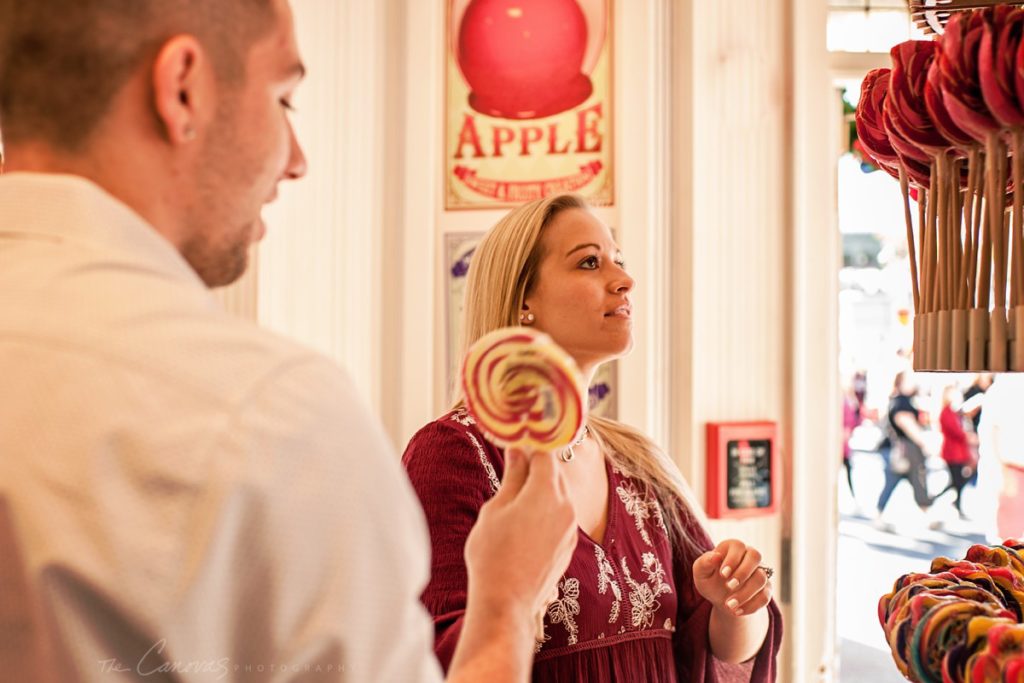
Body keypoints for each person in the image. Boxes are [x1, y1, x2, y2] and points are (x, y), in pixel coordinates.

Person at [0, 2, 577, 681]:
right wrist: (507, 603)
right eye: (285, 99)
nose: (296, 161)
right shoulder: (270, 414)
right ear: (182, 88)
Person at [402, 194, 783, 681]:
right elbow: (434, 657)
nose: (625, 279)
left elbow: (719, 649)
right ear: (524, 300)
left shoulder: (638, 461)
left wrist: (737, 602)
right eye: (589, 262)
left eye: (619, 260)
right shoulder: (454, 453)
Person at [875, 371, 932, 527]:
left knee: (914, 482)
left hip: (903, 450)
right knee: (907, 481)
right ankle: (879, 515)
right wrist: (923, 442)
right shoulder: (901, 402)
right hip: (904, 450)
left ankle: (927, 513)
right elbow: (906, 423)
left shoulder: (902, 400)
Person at [977, 375, 1024, 542]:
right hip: (1009, 470)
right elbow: (991, 433)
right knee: (1008, 542)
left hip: (1011, 469)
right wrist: (1002, 474)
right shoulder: (1005, 387)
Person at [932, 386, 974, 520]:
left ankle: (954, 503)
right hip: (952, 451)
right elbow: (956, 432)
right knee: (956, 480)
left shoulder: (954, 412)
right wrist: (969, 436)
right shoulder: (946, 412)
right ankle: (935, 498)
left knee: (958, 480)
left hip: (959, 451)